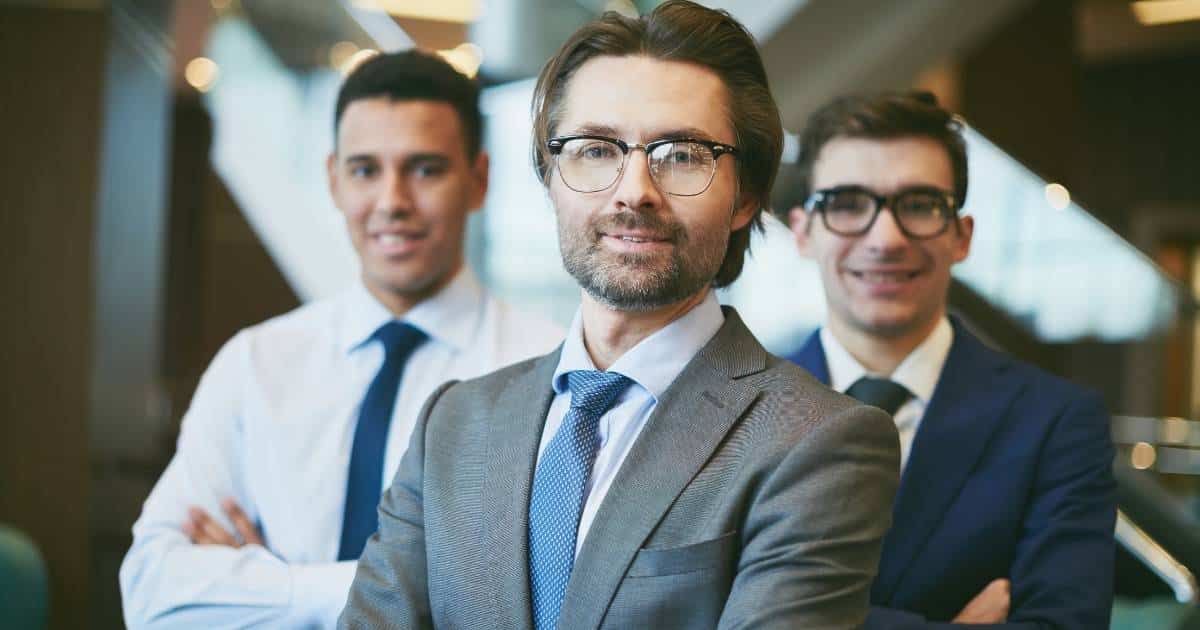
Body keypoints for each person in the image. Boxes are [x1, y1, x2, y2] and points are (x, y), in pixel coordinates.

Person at [338, 3, 902, 629]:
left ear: (745, 197)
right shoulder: (454, 423)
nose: (634, 189)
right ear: (551, 176)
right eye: (597, 149)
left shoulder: (817, 442)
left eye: (683, 154)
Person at [119, 50, 563, 628]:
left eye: (425, 169)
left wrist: (266, 581)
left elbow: (542, 603)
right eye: (364, 170)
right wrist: (401, 587)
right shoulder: (256, 363)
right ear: (332, 180)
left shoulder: (550, 370)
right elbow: (154, 593)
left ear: (478, 181)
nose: (391, 202)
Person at [785, 91, 1116, 628]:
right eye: (847, 204)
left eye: (918, 205)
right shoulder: (734, 408)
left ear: (961, 236)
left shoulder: (1057, 423)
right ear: (803, 231)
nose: (886, 239)